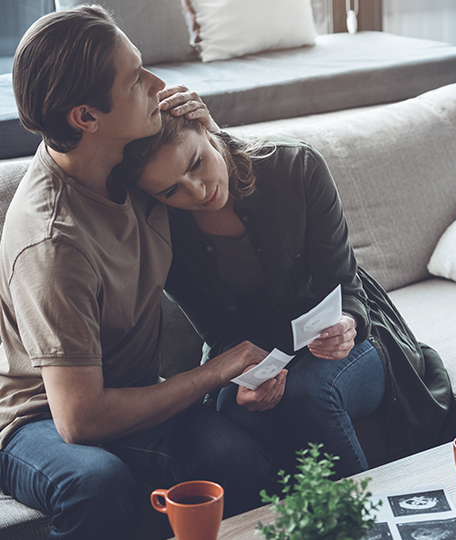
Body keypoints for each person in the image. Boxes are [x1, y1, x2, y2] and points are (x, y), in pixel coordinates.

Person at [0, 6, 277, 539]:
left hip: (128, 392)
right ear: (86, 117)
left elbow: (246, 204)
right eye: (134, 79)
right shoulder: (53, 240)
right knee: (95, 481)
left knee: (235, 456)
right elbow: (79, 422)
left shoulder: (137, 169)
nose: (157, 84)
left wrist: (208, 133)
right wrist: (216, 370)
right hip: (36, 420)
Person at [115, 111, 456, 478]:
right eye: (171, 191)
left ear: (205, 128)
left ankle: (355, 529)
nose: (197, 190)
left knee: (310, 393)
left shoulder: (294, 166)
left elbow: (345, 286)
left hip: (351, 331)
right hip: (258, 348)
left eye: (197, 163)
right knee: (236, 410)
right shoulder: (163, 231)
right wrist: (245, 380)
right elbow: (218, 333)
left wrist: (346, 323)